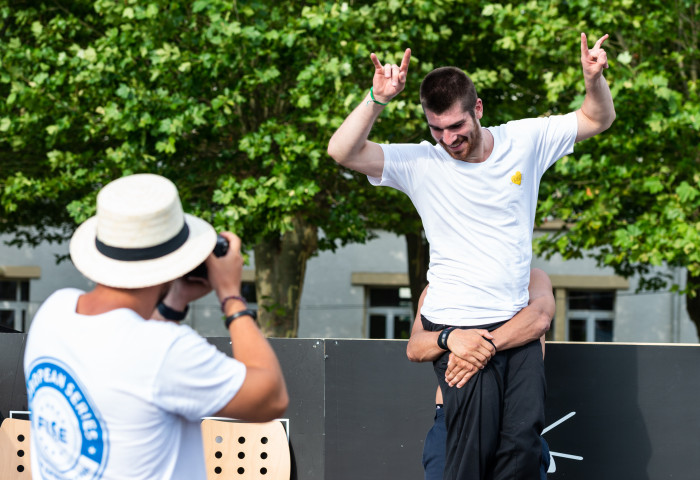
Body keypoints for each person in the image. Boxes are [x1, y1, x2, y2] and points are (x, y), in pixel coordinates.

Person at [328, 33, 614, 479]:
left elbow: (598, 117)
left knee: (522, 448)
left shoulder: (526, 139)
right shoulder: (422, 162)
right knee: (467, 458)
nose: (448, 138)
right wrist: (376, 99)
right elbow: (342, 151)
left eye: (456, 126)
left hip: (514, 327)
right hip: (458, 327)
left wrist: (594, 80)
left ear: (477, 109)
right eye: (436, 128)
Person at [23, 173, 289, 480]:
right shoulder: (169, 349)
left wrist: (173, 302)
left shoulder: (54, 312)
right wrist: (230, 295)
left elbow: (128, 353)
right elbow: (271, 398)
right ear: (175, 262)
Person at [410, 269, 555, 480]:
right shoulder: (441, 283)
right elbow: (414, 348)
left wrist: (478, 347)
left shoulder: (530, 278)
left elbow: (539, 319)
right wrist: (449, 337)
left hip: (513, 419)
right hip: (454, 415)